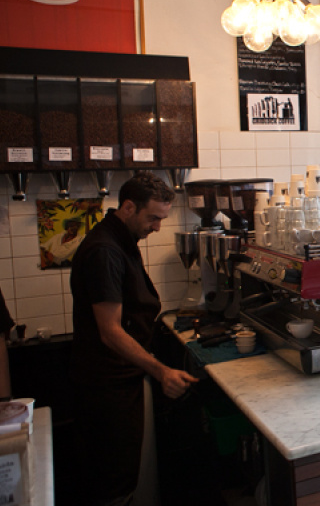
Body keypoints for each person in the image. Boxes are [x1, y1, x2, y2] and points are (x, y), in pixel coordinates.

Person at [70, 172, 198, 506]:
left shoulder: (121, 239)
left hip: (121, 377)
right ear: (128, 207)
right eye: (153, 218)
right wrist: (161, 371)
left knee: (125, 472)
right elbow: (110, 332)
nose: (157, 227)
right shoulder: (105, 251)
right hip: (107, 386)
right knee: (114, 478)